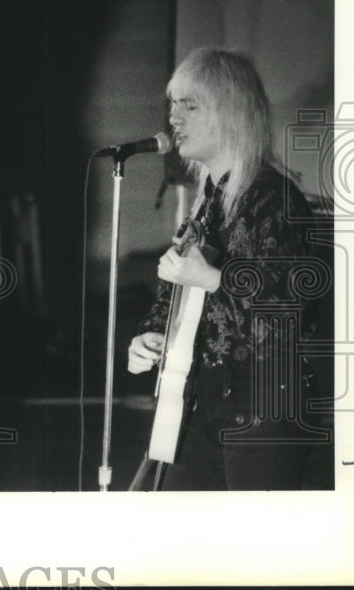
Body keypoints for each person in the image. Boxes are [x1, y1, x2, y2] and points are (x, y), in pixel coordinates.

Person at [127, 47, 321, 490]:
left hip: (264, 406)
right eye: (172, 105)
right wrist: (152, 334)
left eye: (189, 106)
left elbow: (288, 317)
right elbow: (177, 294)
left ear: (230, 112)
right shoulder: (208, 201)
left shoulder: (274, 200)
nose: (173, 118)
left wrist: (213, 278)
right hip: (205, 398)